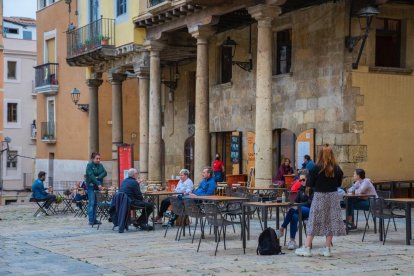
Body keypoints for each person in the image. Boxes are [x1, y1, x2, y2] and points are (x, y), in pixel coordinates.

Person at [295, 144, 346, 257]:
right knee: (330, 220)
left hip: (319, 196)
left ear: (320, 154)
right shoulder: (337, 168)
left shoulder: (315, 168)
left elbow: (310, 183)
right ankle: (327, 249)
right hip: (333, 196)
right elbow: (338, 183)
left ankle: (307, 248)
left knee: (314, 220)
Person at [279, 172, 313, 250]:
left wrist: (298, 205)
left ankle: (282, 228)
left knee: (294, 208)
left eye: (303, 179)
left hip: (310, 211)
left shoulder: (311, 188)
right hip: (300, 211)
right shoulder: (300, 189)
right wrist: (292, 203)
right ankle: (292, 240)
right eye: (300, 180)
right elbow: (296, 200)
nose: (301, 181)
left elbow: (310, 203)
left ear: (308, 179)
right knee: (293, 216)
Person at [85, 152, 107, 226]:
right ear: (92, 159)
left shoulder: (100, 165)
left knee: (96, 203)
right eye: (97, 158)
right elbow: (91, 176)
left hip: (97, 186)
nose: (98, 160)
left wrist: (98, 177)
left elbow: (104, 172)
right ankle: (91, 220)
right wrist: (98, 182)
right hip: (91, 186)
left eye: (99, 158)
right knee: (91, 203)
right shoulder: (89, 165)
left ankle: (94, 219)